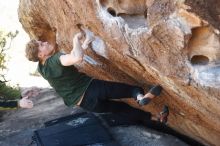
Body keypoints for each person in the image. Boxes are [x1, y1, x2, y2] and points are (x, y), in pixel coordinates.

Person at [25, 31, 168, 123]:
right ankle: (140, 98)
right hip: (91, 89)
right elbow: (76, 57)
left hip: (87, 104)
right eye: (41, 45)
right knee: (131, 90)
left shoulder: (42, 68)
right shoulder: (56, 59)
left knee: (122, 109)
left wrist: (85, 44)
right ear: (40, 55)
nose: (45, 43)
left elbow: (67, 61)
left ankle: (157, 118)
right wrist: (76, 39)